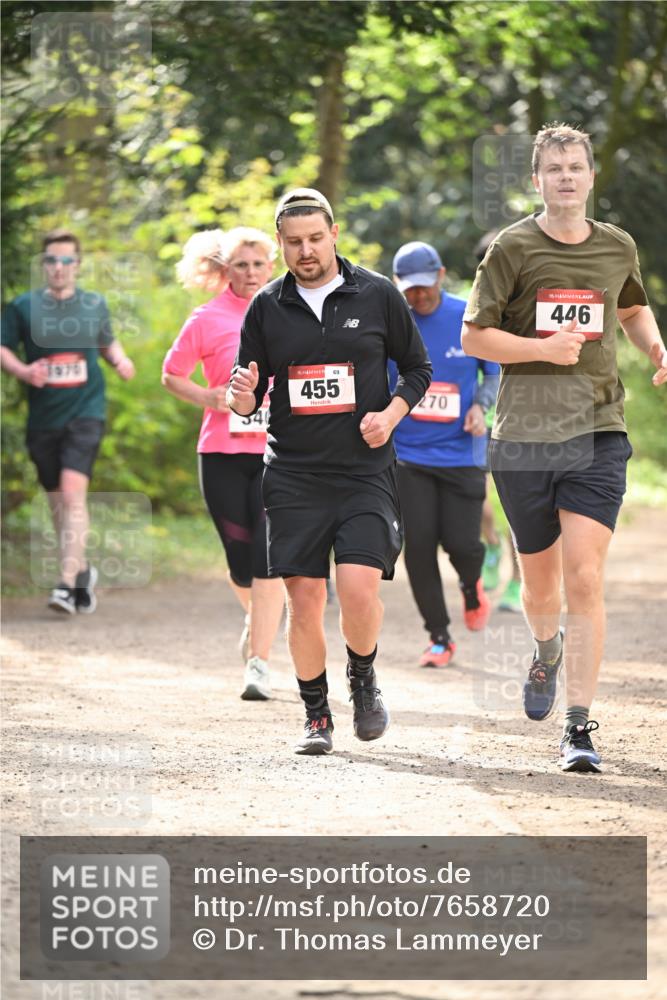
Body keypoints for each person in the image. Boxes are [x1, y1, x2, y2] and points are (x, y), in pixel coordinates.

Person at [462, 123, 667, 773]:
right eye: (554, 169)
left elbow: (630, 308)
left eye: (576, 166)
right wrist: (538, 350)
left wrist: (657, 349)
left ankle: (577, 726)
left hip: (596, 430)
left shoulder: (615, 247)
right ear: (537, 180)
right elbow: (474, 337)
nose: (567, 177)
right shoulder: (511, 249)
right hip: (522, 437)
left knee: (584, 575)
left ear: (590, 176)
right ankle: (544, 648)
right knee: (540, 587)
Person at [227, 188, 432, 755]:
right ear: (281, 244)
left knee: (360, 589)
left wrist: (391, 415)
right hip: (293, 472)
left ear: (334, 233)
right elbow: (247, 395)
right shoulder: (267, 306)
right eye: (294, 242)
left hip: (364, 469)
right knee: (305, 597)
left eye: (315, 238)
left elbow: (416, 368)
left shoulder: (378, 294)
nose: (306, 250)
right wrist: (240, 397)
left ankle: (363, 677)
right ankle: (316, 714)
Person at [162, 227, 285, 701]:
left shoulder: (289, 309)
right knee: (239, 562)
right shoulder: (207, 318)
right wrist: (209, 397)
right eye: (241, 265)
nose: (251, 273)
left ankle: (259, 662)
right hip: (221, 451)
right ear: (225, 270)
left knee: (267, 558)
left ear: (270, 266)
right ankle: (259, 618)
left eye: (258, 264)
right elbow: (172, 375)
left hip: (279, 453)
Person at [1, 228, 135, 614]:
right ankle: (80, 571)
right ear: (43, 265)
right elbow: (3, 347)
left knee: (72, 494)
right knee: (58, 502)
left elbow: (106, 340)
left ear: (77, 265)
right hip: (43, 418)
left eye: (66, 260)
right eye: (51, 261)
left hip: (86, 412)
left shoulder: (93, 303)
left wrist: (120, 360)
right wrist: (24, 372)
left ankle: (62, 585)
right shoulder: (22, 306)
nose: (58, 268)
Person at [389, 241, 497, 667]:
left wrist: (480, 405)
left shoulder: (465, 316)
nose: (418, 296)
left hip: (462, 453)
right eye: (409, 289)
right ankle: (439, 637)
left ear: (440, 274)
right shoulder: (395, 323)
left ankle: (471, 586)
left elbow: (493, 372)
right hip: (409, 455)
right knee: (417, 548)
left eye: (423, 286)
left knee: (463, 544)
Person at [473, 231, 522, 612]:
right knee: (478, 498)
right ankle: (489, 544)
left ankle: (517, 582)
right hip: (484, 418)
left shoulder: (533, 300)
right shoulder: (474, 305)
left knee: (521, 507)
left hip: (526, 417)